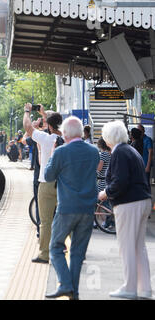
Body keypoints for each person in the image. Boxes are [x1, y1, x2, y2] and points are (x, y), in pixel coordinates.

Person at [44, 116, 100, 300]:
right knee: (77, 252)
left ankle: (65, 284)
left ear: (65, 133)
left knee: (55, 247)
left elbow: (49, 176)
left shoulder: (61, 152)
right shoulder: (93, 152)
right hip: (88, 209)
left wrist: (52, 155)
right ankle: (73, 293)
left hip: (67, 208)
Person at [99, 121, 152, 300]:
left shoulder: (119, 152)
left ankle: (129, 287)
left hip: (129, 204)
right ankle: (144, 289)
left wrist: (105, 193)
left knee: (127, 246)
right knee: (138, 247)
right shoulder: (131, 150)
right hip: (142, 200)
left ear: (108, 138)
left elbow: (120, 181)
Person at [23, 103, 63, 264]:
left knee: (45, 221)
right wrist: (46, 114)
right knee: (66, 217)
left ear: (49, 126)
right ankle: (72, 250)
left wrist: (27, 111)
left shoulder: (46, 139)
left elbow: (27, 127)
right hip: (65, 185)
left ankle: (45, 254)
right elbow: (57, 125)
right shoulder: (70, 138)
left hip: (46, 184)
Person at [96, 137, 113, 229]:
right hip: (107, 180)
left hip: (102, 180)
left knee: (101, 201)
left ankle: (107, 222)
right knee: (104, 202)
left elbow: (99, 168)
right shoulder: (110, 154)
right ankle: (104, 221)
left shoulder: (103, 154)